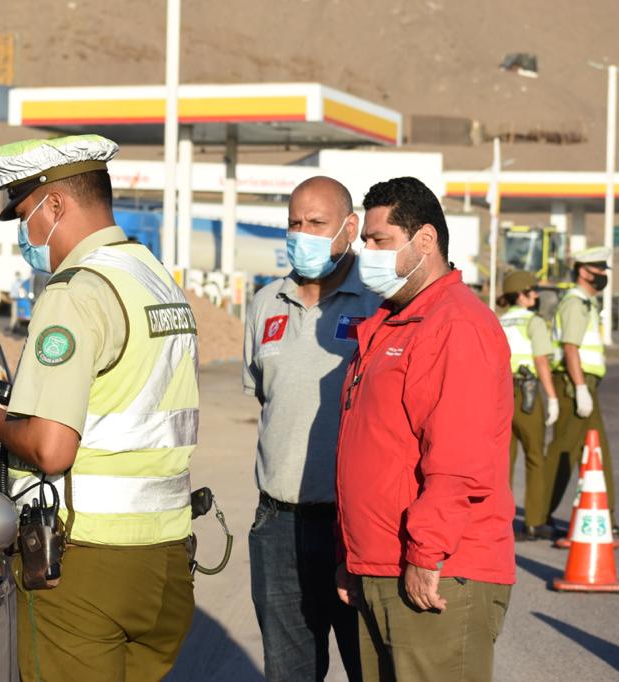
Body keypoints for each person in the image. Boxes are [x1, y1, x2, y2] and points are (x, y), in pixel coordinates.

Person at [0, 134, 199, 681]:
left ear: (56, 206)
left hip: (85, 564)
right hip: (163, 559)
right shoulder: (152, 278)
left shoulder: (74, 293)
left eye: (24, 213)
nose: (23, 233)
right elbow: (114, 395)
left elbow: (53, 449)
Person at [334, 177, 515, 682]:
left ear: (426, 241)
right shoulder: (391, 324)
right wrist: (352, 555)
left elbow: (458, 459)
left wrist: (425, 553)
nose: (365, 252)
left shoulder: (455, 325)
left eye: (379, 241)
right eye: (364, 241)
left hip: (434, 571)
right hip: (380, 564)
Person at [243, 176, 378, 682]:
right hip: (279, 528)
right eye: (294, 224)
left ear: (350, 227)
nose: (303, 234)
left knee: (372, 667)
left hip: (357, 526)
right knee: (289, 673)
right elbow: (267, 397)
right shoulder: (264, 305)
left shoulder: (378, 304)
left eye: (317, 224)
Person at [543, 247, 619, 537]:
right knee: (564, 451)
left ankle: (605, 514)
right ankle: (538, 514)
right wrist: (580, 388)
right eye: (599, 269)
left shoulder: (587, 303)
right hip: (572, 384)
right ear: (583, 270)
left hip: (585, 384)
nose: (604, 275)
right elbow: (570, 349)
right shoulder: (575, 302)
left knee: (597, 450)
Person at [497, 270, 558, 542]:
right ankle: (534, 522)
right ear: (521, 294)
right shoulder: (534, 322)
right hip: (527, 393)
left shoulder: (499, 321)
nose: (535, 295)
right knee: (536, 456)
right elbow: (542, 361)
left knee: (503, 461)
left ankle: (501, 523)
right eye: (532, 291)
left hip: (500, 394)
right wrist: (552, 397)